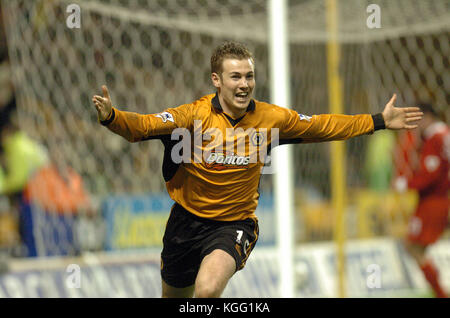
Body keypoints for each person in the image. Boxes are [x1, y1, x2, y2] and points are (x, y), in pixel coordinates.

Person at [92, 41, 423, 298]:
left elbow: (322, 125)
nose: (244, 84)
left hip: (234, 224)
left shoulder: (271, 119)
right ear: (216, 81)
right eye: (235, 76)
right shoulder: (191, 117)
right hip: (185, 223)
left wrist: (378, 121)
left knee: (207, 291)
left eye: (249, 76)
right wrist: (112, 117)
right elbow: (143, 126)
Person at [394, 103, 449, 298]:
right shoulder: (444, 134)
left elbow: (431, 173)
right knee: (414, 246)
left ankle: (441, 293)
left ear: (427, 116)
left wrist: (406, 184)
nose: (417, 127)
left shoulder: (435, 138)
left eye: (418, 121)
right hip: (439, 198)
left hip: (432, 201)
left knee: (413, 246)